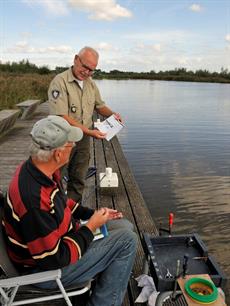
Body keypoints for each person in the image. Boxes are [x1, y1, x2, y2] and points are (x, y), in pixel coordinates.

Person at [2, 115, 137, 306]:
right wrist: (90, 228)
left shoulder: (40, 169)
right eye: (70, 143)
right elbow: (53, 259)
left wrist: (93, 215)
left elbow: (63, 203)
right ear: (58, 153)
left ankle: (102, 279)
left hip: (62, 241)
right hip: (42, 272)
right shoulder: (33, 199)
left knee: (126, 225)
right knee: (127, 241)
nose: (74, 146)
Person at [48, 46, 122, 203]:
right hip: (62, 140)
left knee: (79, 178)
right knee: (55, 178)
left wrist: (113, 114)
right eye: (85, 67)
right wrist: (90, 132)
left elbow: (99, 106)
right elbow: (62, 116)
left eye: (92, 70)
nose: (87, 72)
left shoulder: (91, 84)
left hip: (83, 140)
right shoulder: (59, 82)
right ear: (76, 59)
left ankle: (73, 214)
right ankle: (55, 214)